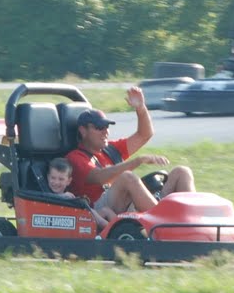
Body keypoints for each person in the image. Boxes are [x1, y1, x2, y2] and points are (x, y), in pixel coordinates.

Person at [67, 84, 196, 219]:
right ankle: (163, 222)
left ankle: (191, 221)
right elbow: (100, 177)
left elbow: (144, 135)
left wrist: (140, 108)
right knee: (127, 177)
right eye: (99, 127)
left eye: (106, 126)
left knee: (182, 172)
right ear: (83, 131)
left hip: (126, 201)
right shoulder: (75, 158)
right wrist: (138, 161)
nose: (105, 131)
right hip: (98, 210)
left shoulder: (110, 149)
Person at [46, 156, 109, 232]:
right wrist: (61, 197)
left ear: (68, 181)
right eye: (53, 178)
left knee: (106, 211)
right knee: (94, 215)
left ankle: (121, 226)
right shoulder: (45, 194)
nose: (56, 182)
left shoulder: (68, 194)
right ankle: (113, 230)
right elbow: (45, 200)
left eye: (61, 179)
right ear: (48, 177)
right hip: (70, 222)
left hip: (77, 218)